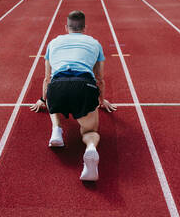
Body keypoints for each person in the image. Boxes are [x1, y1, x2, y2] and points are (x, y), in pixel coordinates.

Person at [30, 10, 116, 181]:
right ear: (85, 28)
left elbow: (47, 78)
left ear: (66, 27)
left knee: (53, 96)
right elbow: (99, 78)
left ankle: (56, 131)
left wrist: (42, 100)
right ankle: (90, 147)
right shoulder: (94, 43)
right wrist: (101, 100)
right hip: (84, 85)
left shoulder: (53, 43)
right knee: (90, 131)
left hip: (57, 86)